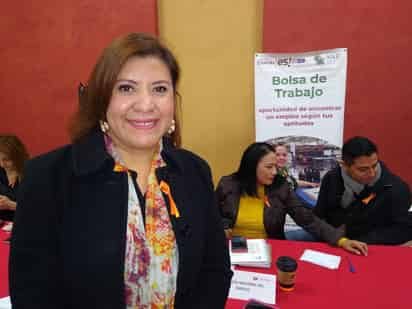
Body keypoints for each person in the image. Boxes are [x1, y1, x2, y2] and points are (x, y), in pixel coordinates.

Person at [10, 33, 232, 309]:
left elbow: (215, 270)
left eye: (159, 89)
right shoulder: (47, 177)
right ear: (102, 100)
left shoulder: (194, 171)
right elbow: (32, 293)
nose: (146, 104)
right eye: (127, 88)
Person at [215, 142, 368, 255]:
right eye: (269, 167)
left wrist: (341, 240)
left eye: (276, 166)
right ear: (251, 166)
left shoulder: (280, 187)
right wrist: (223, 226)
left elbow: (306, 218)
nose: (275, 172)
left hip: (268, 248)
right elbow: (212, 214)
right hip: (233, 248)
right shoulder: (228, 184)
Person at [313, 136, 411, 245]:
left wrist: (359, 242)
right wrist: (333, 237)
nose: (372, 173)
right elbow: (319, 215)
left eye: (374, 166)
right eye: (363, 169)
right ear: (344, 166)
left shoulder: (397, 189)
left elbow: (402, 230)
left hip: (369, 246)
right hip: (331, 238)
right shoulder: (331, 178)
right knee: (291, 239)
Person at [0, 134, 29, 221]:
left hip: (23, 223)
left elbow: (40, 209)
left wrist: (11, 205)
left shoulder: (31, 173)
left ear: (17, 156)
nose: (2, 164)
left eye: (6, 159)